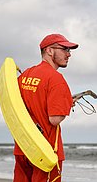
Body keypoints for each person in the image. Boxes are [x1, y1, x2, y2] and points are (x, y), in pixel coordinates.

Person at [13, 33, 78, 182]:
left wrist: (63, 101)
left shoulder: (25, 75)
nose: (69, 55)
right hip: (45, 151)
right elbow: (54, 119)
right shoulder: (56, 79)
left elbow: (18, 105)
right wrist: (67, 103)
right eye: (64, 49)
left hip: (23, 148)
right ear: (49, 50)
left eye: (69, 51)